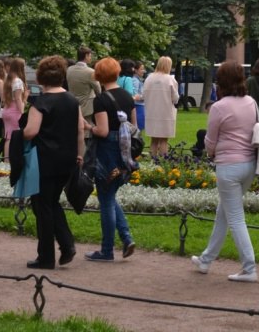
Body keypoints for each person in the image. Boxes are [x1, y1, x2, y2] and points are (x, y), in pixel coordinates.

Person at [190, 60, 259, 283]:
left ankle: (249, 268)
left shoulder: (219, 107)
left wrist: (211, 151)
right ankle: (206, 259)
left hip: (228, 166)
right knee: (224, 213)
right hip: (249, 165)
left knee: (236, 218)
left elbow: (210, 141)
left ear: (222, 81)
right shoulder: (251, 102)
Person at [22, 55, 85, 270]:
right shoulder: (72, 100)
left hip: (44, 162)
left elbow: (31, 132)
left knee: (42, 206)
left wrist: (19, 132)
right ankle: (67, 245)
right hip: (67, 159)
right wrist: (80, 154)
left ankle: (46, 256)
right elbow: (79, 129)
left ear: (41, 77)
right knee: (52, 202)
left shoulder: (40, 103)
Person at [86, 57, 136, 262]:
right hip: (124, 152)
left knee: (106, 200)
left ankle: (107, 250)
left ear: (98, 75)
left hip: (107, 152)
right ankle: (126, 238)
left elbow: (103, 130)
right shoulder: (127, 96)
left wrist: (88, 126)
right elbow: (133, 126)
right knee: (109, 196)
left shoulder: (101, 100)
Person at [142, 55, 179, 158]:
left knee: (153, 140)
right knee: (164, 140)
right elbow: (175, 98)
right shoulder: (170, 79)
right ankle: (163, 162)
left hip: (152, 113)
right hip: (165, 114)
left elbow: (144, 95)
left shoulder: (149, 78)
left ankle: (152, 162)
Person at [66, 47, 100, 130]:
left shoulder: (69, 69)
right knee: (87, 128)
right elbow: (98, 90)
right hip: (87, 105)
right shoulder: (90, 72)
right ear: (86, 56)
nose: (91, 58)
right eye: (90, 55)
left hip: (72, 103)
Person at [0, 58, 27, 161]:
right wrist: (22, 111)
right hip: (14, 111)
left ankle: (6, 160)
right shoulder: (18, 81)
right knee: (13, 137)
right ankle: (11, 159)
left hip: (7, 110)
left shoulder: (8, 79)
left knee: (8, 137)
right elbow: (18, 98)